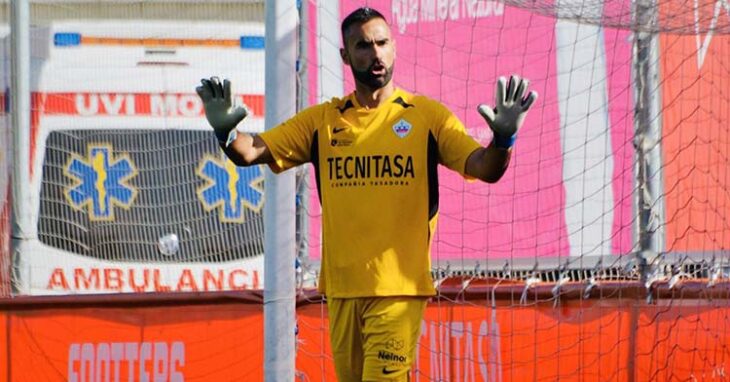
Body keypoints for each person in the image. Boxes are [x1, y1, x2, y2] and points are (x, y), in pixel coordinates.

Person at [196, 6, 537, 382]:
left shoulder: (426, 116)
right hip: (342, 291)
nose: (375, 54)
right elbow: (251, 151)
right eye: (363, 46)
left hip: (399, 291)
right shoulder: (322, 121)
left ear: (393, 47)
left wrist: (503, 139)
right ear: (345, 56)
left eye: (382, 43)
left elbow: (484, 168)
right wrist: (226, 132)